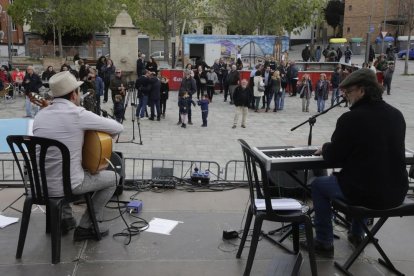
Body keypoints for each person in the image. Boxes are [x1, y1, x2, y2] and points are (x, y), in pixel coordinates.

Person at [305, 68, 408, 258]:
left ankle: (324, 242)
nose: (346, 96)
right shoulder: (397, 115)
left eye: (348, 92)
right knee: (367, 179)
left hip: (366, 194)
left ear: (361, 91)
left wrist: (326, 147)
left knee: (319, 185)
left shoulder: (351, 118)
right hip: (396, 192)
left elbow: (334, 158)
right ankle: (356, 234)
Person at [32, 71, 123, 240]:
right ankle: (86, 226)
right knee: (114, 178)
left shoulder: (40, 115)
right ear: (74, 94)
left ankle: (66, 219)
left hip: (40, 186)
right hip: (67, 186)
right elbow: (118, 127)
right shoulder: (78, 114)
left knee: (61, 168)